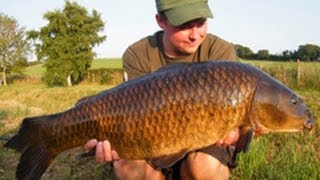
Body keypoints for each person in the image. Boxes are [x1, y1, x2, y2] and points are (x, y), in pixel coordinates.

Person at [84, 0, 241, 179]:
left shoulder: (219, 53)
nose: (195, 35)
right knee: (127, 165)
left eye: (201, 23)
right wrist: (111, 139)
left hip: (204, 145)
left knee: (204, 167)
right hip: (150, 140)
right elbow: (131, 117)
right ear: (161, 21)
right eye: (185, 25)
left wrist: (236, 129)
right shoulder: (138, 54)